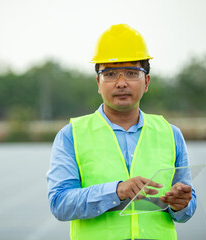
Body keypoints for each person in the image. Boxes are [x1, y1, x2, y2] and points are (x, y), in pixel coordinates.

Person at [47, 24, 195, 240]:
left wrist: (181, 204)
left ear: (147, 82)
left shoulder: (171, 134)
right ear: (98, 82)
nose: (121, 83)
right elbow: (60, 204)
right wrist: (116, 191)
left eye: (131, 73)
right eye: (110, 74)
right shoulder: (71, 136)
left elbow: (186, 210)